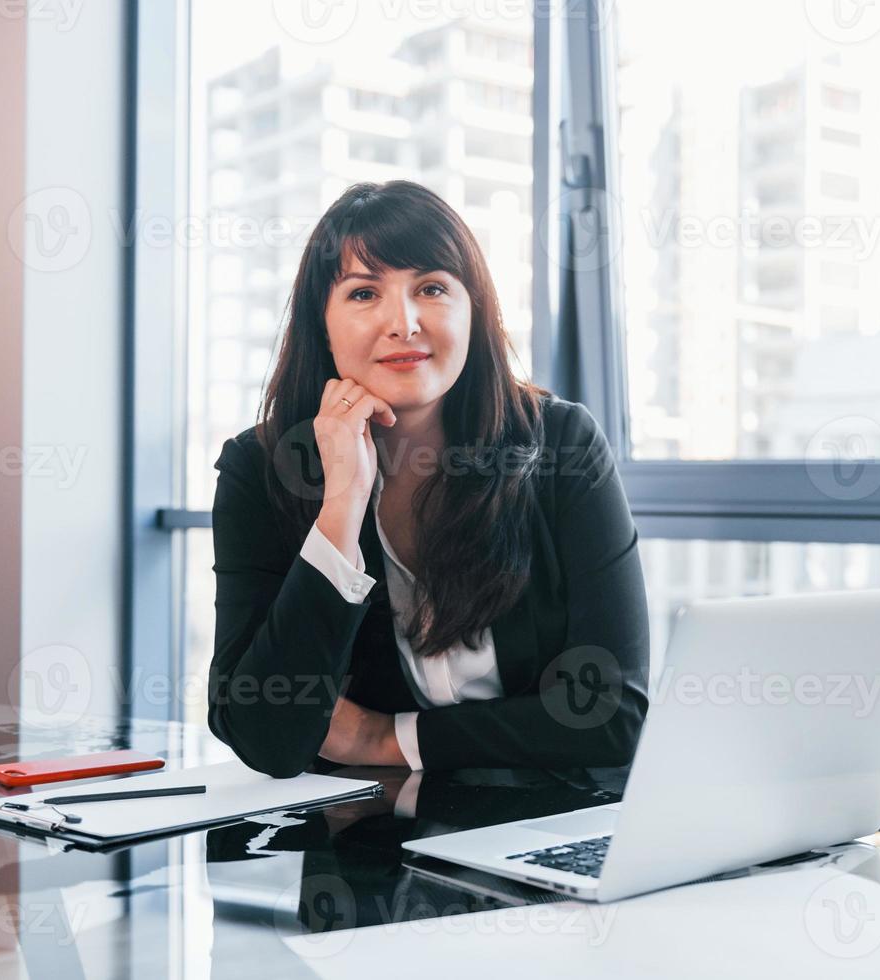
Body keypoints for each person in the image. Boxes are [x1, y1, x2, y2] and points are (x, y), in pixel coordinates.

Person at [207, 180, 650, 777]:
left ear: (475, 312)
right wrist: (341, 504)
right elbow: (265, 736)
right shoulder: (260, 471)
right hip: (366, 849)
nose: (405, 322)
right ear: (323, 324)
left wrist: (382, 740)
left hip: (551, 828)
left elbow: (611, 713)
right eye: (364, 293)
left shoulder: (562, 445)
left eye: (432, 288)